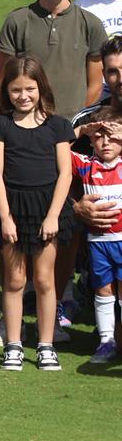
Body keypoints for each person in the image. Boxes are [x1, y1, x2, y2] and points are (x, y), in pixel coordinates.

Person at [0, 58, 74, 370]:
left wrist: (52, 216)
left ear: (41, 88)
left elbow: (65, 174)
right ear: (6, 91)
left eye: (29, 89)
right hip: (13, 209)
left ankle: (46, 344)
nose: (22, 95)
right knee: (14, 280)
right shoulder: (0, 125)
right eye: (15, 90)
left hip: (48, 210)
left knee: (44, 280)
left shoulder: (58, 126)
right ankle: (13, 345)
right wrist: (6, 216)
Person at [0, 0, 106, 119]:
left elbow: (95, 85)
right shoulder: (17, 21)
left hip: (72, 132)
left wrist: (75, 124)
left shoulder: (90, 24)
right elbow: (3, 80)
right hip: (26, 126)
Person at [72, 109, 122, 362]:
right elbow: (54, 149)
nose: (105, 142)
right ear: (91, 141)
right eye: (99, 137)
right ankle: (106, 341)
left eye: (111, 136)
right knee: (103, 291)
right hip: (98, 243)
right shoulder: (86, 166)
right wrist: (81, 131)